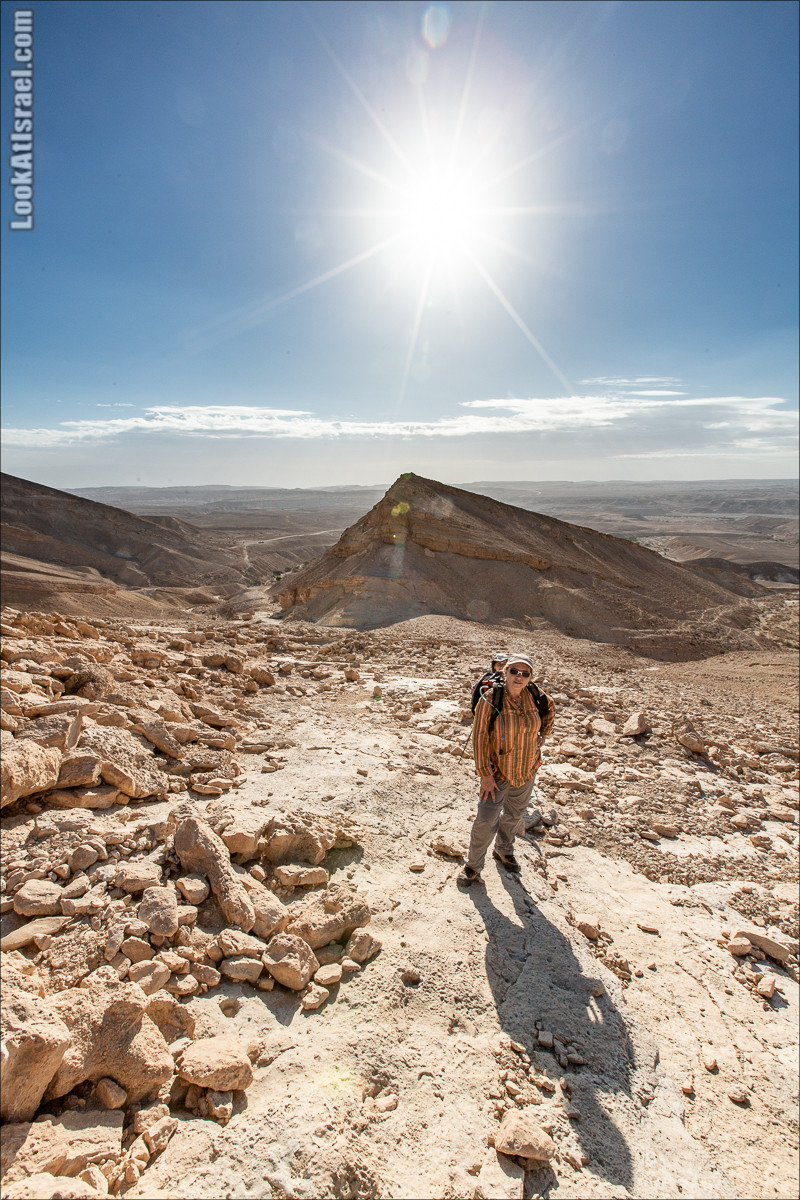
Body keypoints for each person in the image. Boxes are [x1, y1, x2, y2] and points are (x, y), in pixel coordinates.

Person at [458, 652, 555, 885]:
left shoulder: (536, 697)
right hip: (497, 772)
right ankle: (473, 866)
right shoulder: (491, 699)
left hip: (527, 768)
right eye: (514, 671)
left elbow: (549, 712)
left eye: (525, 674)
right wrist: (485, 776)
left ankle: (504, 849)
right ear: (505, 672)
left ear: (530, 677)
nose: (519, 677)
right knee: (486, 820)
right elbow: (480, 739)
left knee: (514, 815)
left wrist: (543, 735)